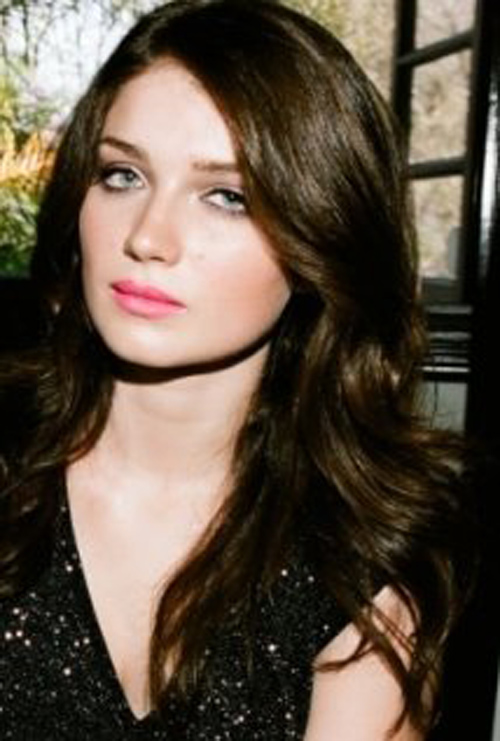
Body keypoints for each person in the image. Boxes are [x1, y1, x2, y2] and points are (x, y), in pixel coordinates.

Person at [0, 0, 476, 738]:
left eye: (227, 197)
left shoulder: (358, 560)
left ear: (321, 238)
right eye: (122, 175)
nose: (148, 237)